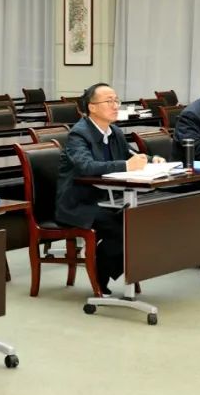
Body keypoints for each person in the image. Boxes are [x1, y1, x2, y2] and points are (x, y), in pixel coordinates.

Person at [55, 83, 162, 296]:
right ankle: (99, 278)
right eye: (109, 101)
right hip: (79, 204)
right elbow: (86, 167)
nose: (115, 106)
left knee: (141, 222)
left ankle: (103, 271)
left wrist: (152, 160)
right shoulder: (79, 135)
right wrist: (126, 166)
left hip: (106, 199)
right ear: (92, 107)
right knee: (123, 228)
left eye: (116, 100)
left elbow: (130, 154)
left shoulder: (115, 132)